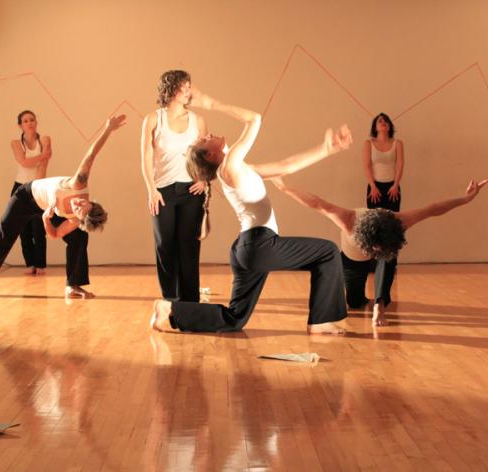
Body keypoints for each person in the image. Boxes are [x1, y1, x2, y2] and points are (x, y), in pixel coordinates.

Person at [149, 90, 352, 334]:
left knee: (235, 319)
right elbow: (254, 119)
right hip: (259, 244)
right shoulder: (229, 167)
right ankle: (320, 322)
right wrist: (213, 103)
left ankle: (171, 309)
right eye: (203, 140)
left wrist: (327, 149)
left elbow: (285, 166)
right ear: (210, 155)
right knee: (328, 252)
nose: (207, 135)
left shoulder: (239, 168)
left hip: (247, 248)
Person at [271, 178, 488, 326]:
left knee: (389, 259)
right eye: (375, 248)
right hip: (352, 260)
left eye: (379, 248)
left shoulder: (399, 221)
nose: (375, 252)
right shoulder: (349, 220)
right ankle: (366, 300)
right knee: (354, 302)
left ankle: (379, 305)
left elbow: (433, 209)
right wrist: (285, 188)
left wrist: (465, 198)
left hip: (384, 254)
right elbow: (317, 204)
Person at [0, 115, 124, 299]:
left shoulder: (74, 220)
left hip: (46, 208)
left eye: (79, 211)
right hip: (25, 197)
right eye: (83, 203)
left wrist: (46, 219)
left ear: (78, 219)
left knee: (79, 236)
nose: (77, 205)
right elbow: (92, 154)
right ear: (90, 201)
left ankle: (73, 285)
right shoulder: (79, 183)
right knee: (2, 237)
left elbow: (54, 234)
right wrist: (108, 129)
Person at [141, 70, 208, 302]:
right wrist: (151, 190)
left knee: (188, 247)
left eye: (190, 86)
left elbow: (204, 155)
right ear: (170, 89)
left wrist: (203, 179)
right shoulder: (153, 119)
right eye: (184, 87)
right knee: (165, 246)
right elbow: (146, 157)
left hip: (192, 191)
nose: (189, 91)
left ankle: (191, 302)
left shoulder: (198, 121)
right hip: (162, 192)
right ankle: (170, 300)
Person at [10, 110, 52, 275]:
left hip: (39, 186)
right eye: (25, 121)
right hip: (20, 187)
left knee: (39, 227)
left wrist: (36, 187)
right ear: (20, 125)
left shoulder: (45, 139)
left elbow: (44, 164)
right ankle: (30, 264)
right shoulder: (15, 143)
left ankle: (40, 265)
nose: (29, 123)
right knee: (23, 229)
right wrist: (42, 156)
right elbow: (23, 162)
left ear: (36, 122)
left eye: (32, 120)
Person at [364, 112, 404, 211]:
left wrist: (395, 185)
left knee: (392, 219)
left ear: (389, 126)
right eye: (380, 121)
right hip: (374, 188)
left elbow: (400, 166)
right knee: (374, 219)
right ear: (375, 127)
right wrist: (373, 186)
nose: (383, 122)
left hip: (393, 188)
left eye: (386, 120)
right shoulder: (368, 143)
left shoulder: (398, 143)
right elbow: (367, 166)